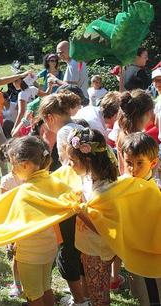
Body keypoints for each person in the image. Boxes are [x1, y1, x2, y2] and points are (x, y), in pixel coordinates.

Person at [38, 92, 88, 306]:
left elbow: (70, 170)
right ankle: (87, 295)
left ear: (49, 117)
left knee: (67, 248)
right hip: (88, 195)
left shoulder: (62, 134)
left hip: (72, 198)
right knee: (82, 247)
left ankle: (79, 299)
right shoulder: (80, 127)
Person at [66, 128, 118, 306]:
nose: (69, 165)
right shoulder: (90, 177)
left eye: (72, 160)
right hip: (89, 248)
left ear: (87, 160)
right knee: (96, 288)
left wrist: (79, 209)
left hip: (97, 252)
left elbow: (102, 229)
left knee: (99, 295)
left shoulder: (104, 191)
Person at [7, 136, 61, 306]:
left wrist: (11, 241)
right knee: (46, 287)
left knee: (33, 295)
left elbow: (18, 222)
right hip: (48, 247)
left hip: (29, 252)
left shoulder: (25, 191)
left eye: (13, 164)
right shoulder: (51, 181)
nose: (12, 169)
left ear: (25, 165)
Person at [120, 132, 161, 306]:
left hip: (150, 254)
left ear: (153, 163)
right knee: (141, 294)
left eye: (139, 163)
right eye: (129, 163)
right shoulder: (124, 184)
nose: (133, 169)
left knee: (153, 294)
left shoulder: (153, 191)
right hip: (132, 251)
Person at [0, 142, 24, 298]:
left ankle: (27, 283)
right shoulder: (7, 180)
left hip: (29, 221)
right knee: (16, 255)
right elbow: (3, 207)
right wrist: (7, 236)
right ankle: (17, 284)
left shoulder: (29, 175)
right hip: (15, 222)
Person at [116, 90, 154, 174]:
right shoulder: (141, 141)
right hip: (140, 185)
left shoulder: (122, 133)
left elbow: (121, 168)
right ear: (148, 113)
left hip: (126, 182)